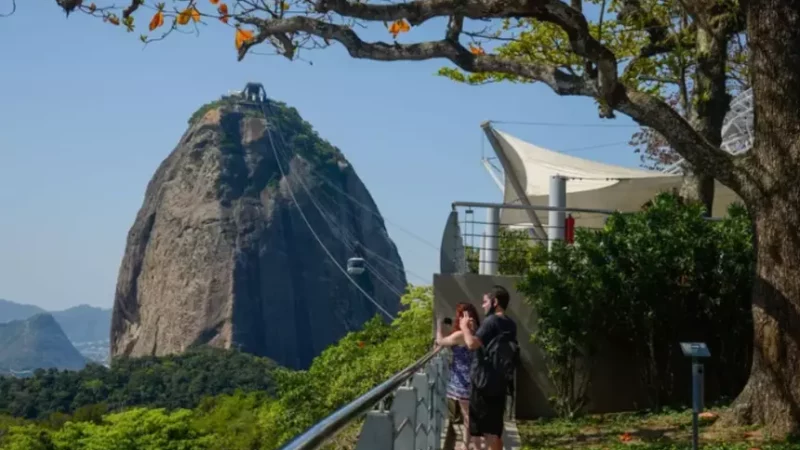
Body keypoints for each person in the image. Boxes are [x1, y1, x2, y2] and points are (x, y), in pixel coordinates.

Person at [460, 285, 519, 450]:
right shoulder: (510, 324)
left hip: (483, 383)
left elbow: (471, 344)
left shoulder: (491, 321)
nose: (483, 305)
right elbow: (490, 345)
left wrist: (464, 327)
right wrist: (475, 331)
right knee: (495, 429)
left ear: (495, 302)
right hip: (499, 382)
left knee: (487, 432)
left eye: (485, 302)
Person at [436, 303, 482, 450]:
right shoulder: (478, 333)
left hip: (462, 382)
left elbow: (440, 342)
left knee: (467, 416)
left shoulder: (460, 335)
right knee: (472, 414)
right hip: (477, 379)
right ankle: (470, 444)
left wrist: (439, 326)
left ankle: (467, 445)